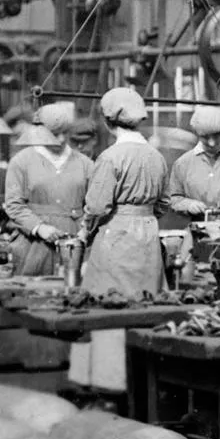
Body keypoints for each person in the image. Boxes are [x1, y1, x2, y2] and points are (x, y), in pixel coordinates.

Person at [73, 87, 168, 391]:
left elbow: (98, 205)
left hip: (116, 233)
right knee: (146, 308)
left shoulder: (110, 157)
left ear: (107, 121)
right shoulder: (156, 156)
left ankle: (110, 385)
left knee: (109, 309)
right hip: (149, 234)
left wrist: (85, 231)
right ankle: (146, 381)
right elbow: (163, 203)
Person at [3, 103, 95, 277]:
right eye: (54, 134)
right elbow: (14, 206)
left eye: (65, 133)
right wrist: (39, 227)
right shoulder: (21, 162)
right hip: (33, 247)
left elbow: (95, 205)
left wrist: (85, 230)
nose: (60, 139)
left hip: (73, 245)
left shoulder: (86, 164)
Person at [164, 106, 220, 247]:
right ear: (196, 133)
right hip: (199, 232)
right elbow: (174, 199)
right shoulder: (183, 163)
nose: (211, 142)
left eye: (217, 135)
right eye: (205, 137)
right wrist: (188, 204)